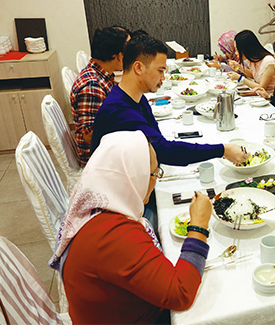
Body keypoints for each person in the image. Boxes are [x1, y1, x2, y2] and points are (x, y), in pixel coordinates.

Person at [49, 130, 212, 323]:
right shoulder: (114, 235)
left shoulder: (93, 208)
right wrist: (199, 226)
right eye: (152, 173)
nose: (155, 179)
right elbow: (180, 293)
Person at [91, 34, 248, 166]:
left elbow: (158, 142)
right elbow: (163, 151)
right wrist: (222, 150)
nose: (163, 78)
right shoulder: (118, 110)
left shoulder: (136, 97)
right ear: (138, 68)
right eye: (160, 71)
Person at [71, 26, 130, 166]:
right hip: (100, 160)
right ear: (119, 55)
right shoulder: (92, 87)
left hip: (108, 149)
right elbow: (91, 136)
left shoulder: (102, 74)